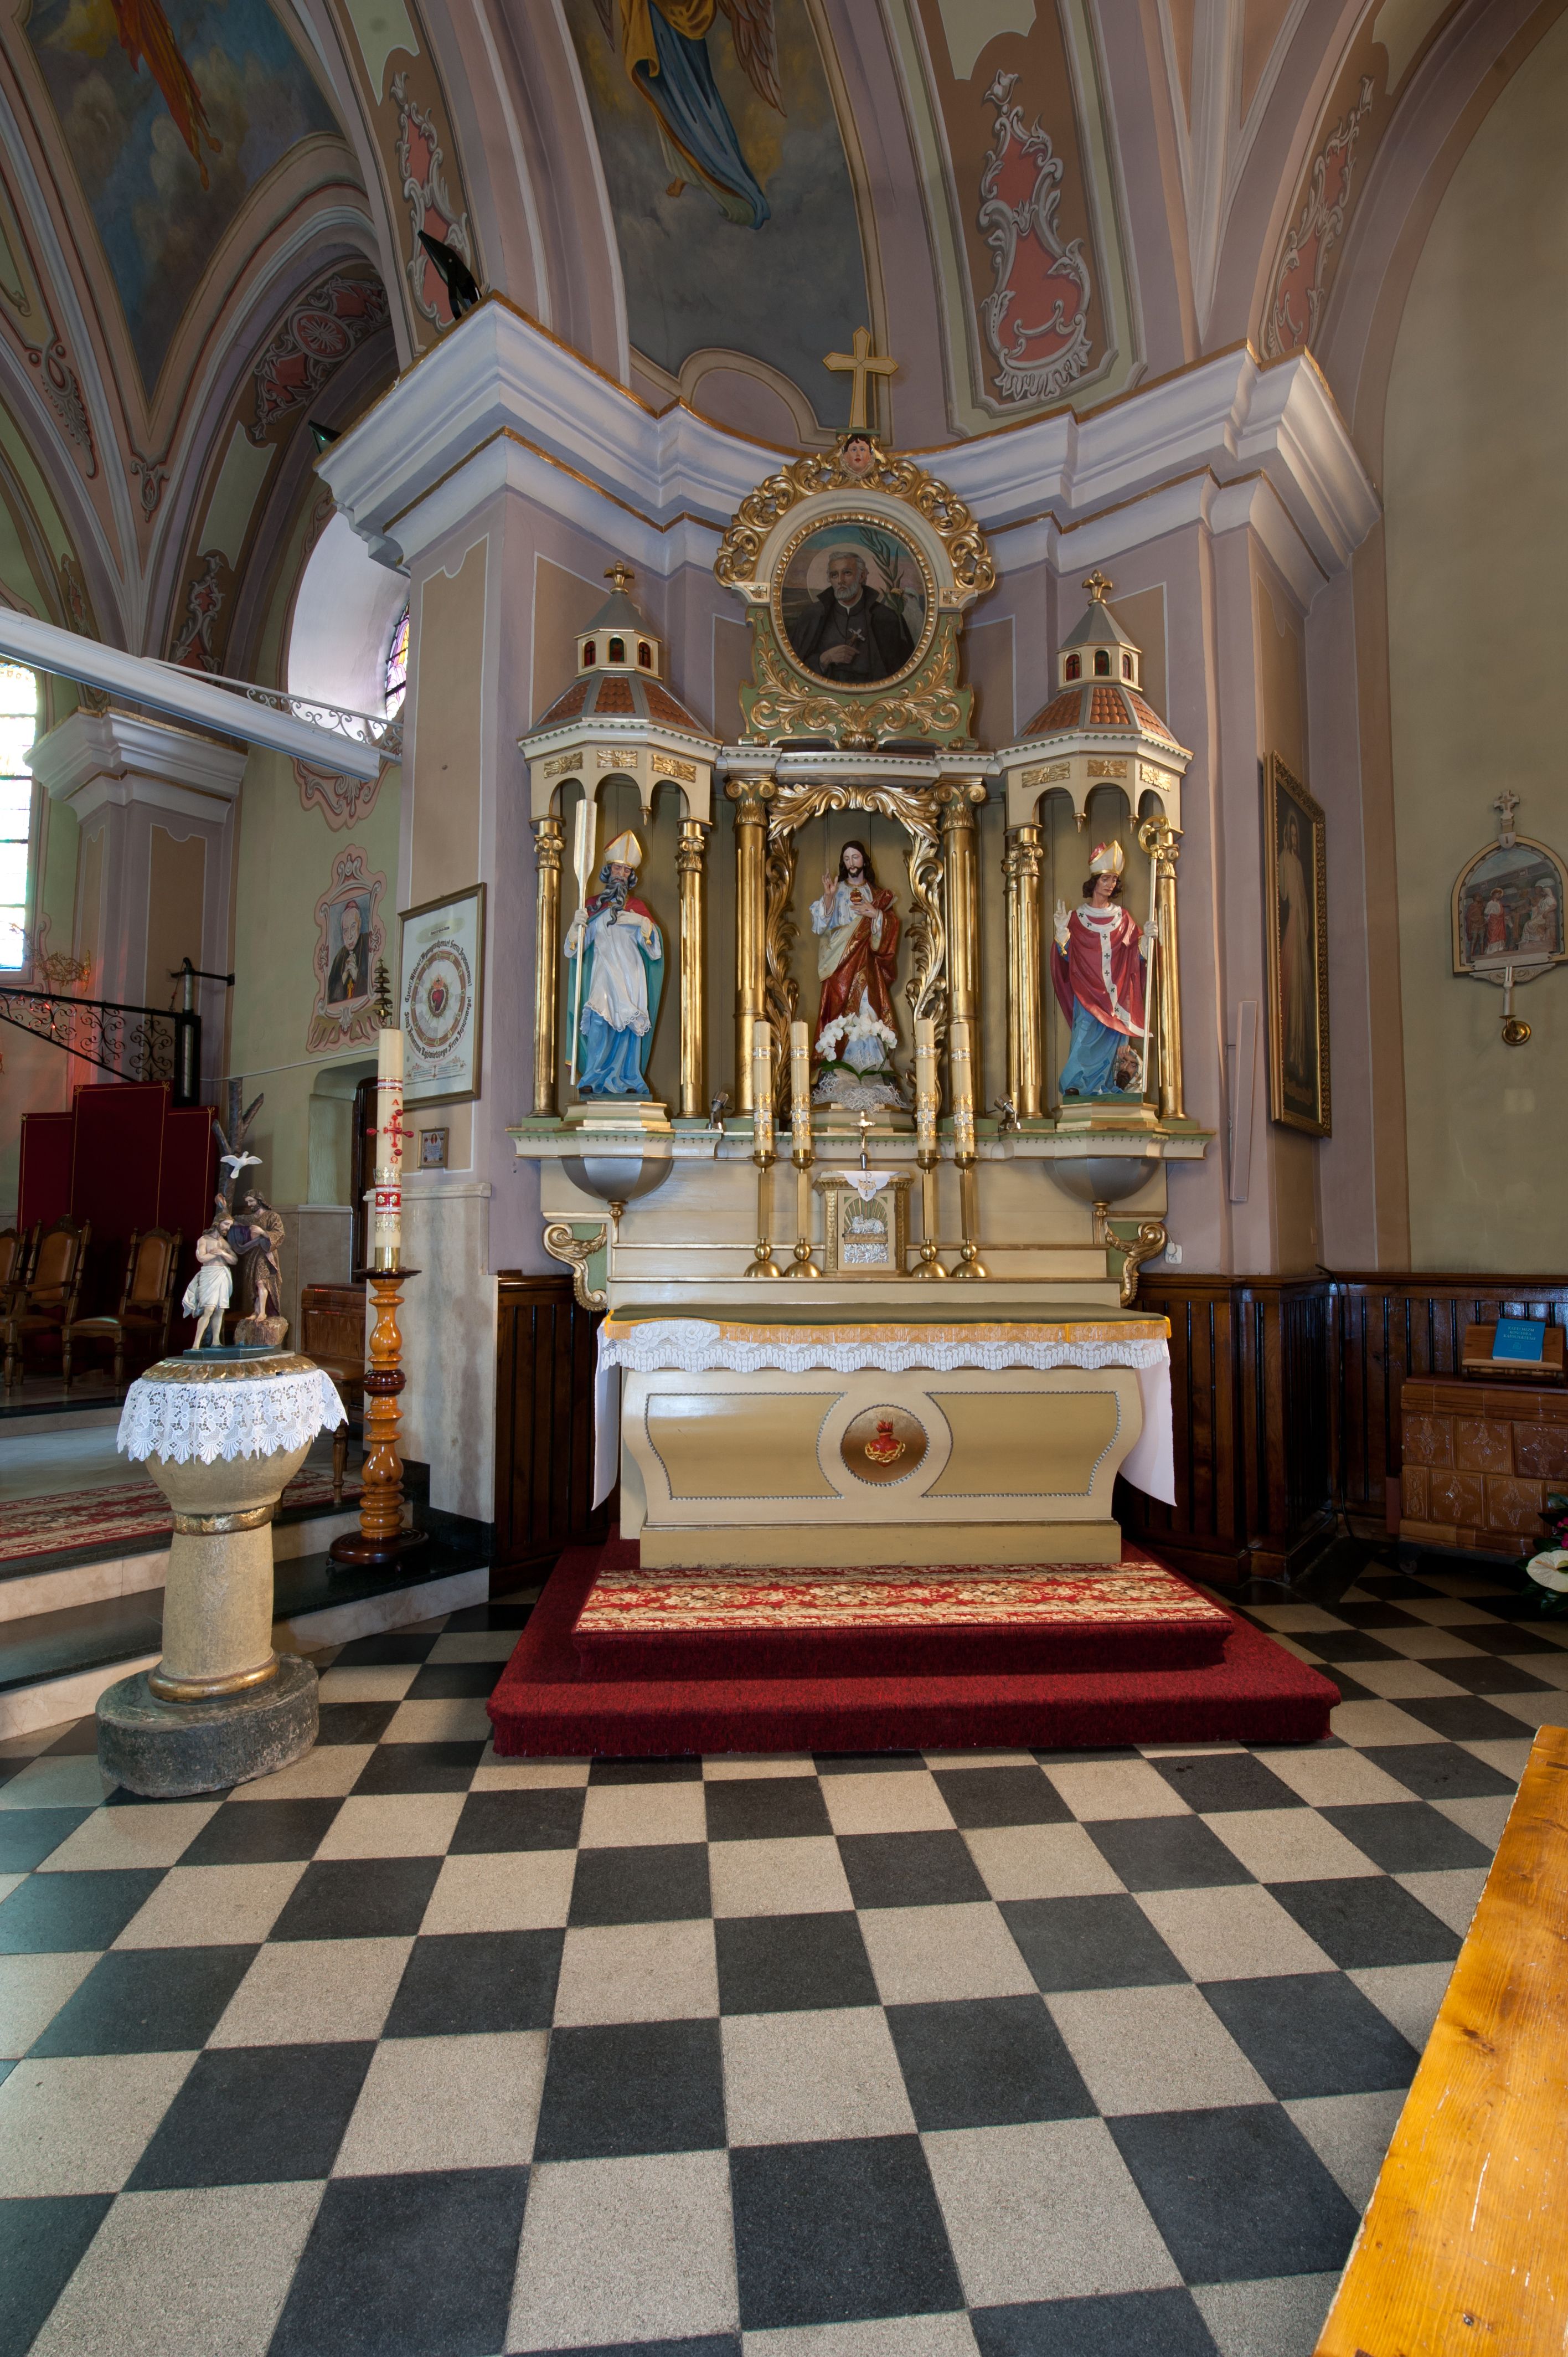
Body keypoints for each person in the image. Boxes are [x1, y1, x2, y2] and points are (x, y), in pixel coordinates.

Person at [565, 830, 664, 1097]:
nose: (621, 874)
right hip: (603, 973)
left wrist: (643, 923)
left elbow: (654, 951)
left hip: (631, 975)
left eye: (626, 870)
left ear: (631, 876)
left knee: (629, 1026)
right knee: (599, 1021)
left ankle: (629, 1078)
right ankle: (594, 1077)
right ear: (608, 871)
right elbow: (575, 950)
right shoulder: (592, 906)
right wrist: (576, 927)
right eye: (617, 868)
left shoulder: (638, 907)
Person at [1051, 841, 1152, 1098]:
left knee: (1111, 1047)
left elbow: (1135, 956)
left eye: (1114, 880)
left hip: (1116, 998)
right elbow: (1066, 959)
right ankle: (1076, 1084)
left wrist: (1148, 941)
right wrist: (1062, 934)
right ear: (1094, 881)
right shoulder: (1077, 919)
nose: (1110, 885)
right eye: (1105, 879)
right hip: (1086, 994)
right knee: (1083, 1037)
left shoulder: (1123, 918)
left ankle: (1105, 1087)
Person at [811, 840, 901, 1074]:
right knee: (840, 1018)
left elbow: (891, 927)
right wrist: (829, 897)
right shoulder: (836, 890)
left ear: (864, 860)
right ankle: (840, 1070)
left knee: (867, 1012)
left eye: (855, 857)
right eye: (847, 858)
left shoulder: (875, 894)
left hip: (866, 963)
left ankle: (870, 1068)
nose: (851, 863)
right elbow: (820, 926)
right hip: (839, 965)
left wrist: (876, 914)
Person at [788, 549, 915, 683]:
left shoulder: (886, 618)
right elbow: (792, 668)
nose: (840, 581)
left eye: (847, 573)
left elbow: (903, 672)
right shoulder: (812, 615)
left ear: (862, 576)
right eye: (834, 575)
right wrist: (824, 659)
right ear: (829, 579)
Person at [225, 1191, 285, 1323]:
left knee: (261, 1282)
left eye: (251, 1201)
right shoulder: (251, 1218)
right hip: (254, 1253)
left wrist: (263, 1232)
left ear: (259, 1200)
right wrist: (224, 1208)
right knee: (255, 1284)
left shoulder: (272, 1216)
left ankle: (263, 1312)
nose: (249, 1204)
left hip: (266, 1254)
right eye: (247, 1202)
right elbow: (233, 1221)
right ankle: (257, 1310)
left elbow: (280, 1234)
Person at [182, 1217, 237, 1351]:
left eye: (230, 1226)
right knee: (209, 1309)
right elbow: (201, 1257)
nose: (227, 1228)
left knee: (220, 1309)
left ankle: (216, 1341)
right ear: (218, 1223)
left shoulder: (224, 1243)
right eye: (226, 1224)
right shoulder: (204, 1240)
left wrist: (222, 1253)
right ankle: (196, 1344)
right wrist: (216, 1255)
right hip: (209, 1274)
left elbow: (234, 1260)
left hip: (222, 1275)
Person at [327, 898, 366, 1005]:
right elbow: (329, 997)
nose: (350, 936)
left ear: (360, 924)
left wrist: (357, 975)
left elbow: (376, 988)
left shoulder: (368, 944)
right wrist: (344, 976)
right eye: (345, 931)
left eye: (353, 927)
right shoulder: (340, 957)